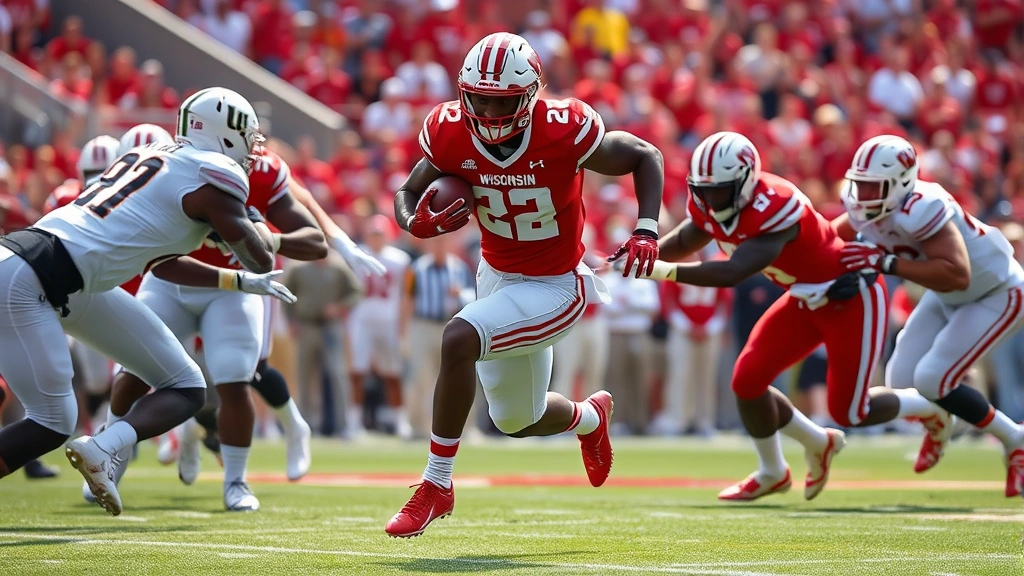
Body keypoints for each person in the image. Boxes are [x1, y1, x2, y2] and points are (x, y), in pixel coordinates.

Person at [387, 32, 663, 537]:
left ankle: (436, 483)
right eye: (480, 98)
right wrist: (415, 223)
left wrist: (646, 226)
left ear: (531, 94)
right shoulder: (449, 131)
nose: (490, 111)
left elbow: (646, 156)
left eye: (503, 100)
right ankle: (588, 418)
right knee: (517, 418)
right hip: (495, 277)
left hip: (557, 284)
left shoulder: (563, 129)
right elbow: (408, 191)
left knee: (459, 338)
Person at [0, 87, 285, 518]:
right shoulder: (213, 173)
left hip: (61, 275)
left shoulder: (156, 155)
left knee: (186, 383)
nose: (251, 150)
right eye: (248, 137)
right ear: (228, 134)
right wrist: (256, 225)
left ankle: (104, 447)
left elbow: (164, 262)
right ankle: (101, 445)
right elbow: (261, 256)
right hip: (31, 274)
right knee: (53, 419)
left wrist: (232, 274)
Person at [634, 131, 946, 502]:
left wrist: (658, 270)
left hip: (850, 297)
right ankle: (777, 467)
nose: (709, 199)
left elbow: (733, 271)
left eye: (718, 191)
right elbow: (693, 233)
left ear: (747, 179)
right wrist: (649, 248)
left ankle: (934, 407)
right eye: (702, 190)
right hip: (803, 296)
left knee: (850, 411)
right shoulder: (712, 194)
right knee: (747, 382)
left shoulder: (777, 205)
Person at [107, 144, 326, 511]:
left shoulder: (262, 171)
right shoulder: (172, 167)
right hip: (172, 282)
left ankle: (236, 480)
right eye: (243, 134)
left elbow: (315, 241)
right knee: (134, 369)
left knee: (236, 377)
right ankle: (111, 458)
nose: (252, 143)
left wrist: (268, 238)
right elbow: (161, 264)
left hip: (234, 289)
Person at [834, 134, 1024, 496]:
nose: (863, 196)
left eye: (873, 187)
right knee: (901, 379)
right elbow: (831, 239)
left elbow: (957, 273)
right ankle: (940, 424)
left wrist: (886, 262)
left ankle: (1015, 439)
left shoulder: (923, 206)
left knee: (933, 378)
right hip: (950, 295)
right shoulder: (870, 205)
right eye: (861, 185)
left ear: (900, 183)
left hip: (997, 292)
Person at [346, 215, 411, 438]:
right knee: (357, 372)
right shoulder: (357, 255)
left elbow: (405, 295)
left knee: (393, 372)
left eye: (380, 233)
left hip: (388, 320)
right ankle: (354, 421)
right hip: (362, 319)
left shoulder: (399, 260)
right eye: (373, 234)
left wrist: (403, 325)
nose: (376, 238)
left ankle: (400, 421)